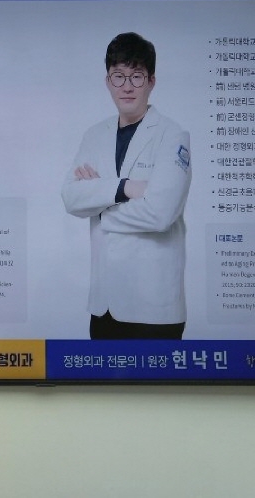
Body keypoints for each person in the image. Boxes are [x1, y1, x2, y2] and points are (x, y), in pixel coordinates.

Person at [61, 32, 191, 340]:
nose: (127, 86)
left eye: (137, 76)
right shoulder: (94, 135)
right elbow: (70, 197)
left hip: (153, 307)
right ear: (108, 81)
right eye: (118, 76)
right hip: (103, 306)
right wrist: (126, 188)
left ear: (151, 82)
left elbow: (160, 214)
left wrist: (100, 206)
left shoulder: (172, 136)